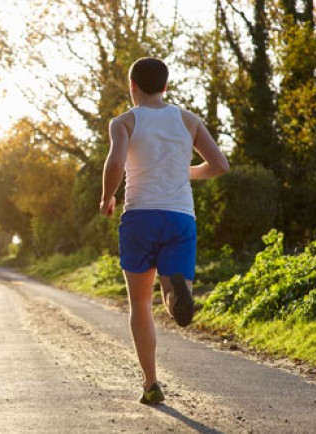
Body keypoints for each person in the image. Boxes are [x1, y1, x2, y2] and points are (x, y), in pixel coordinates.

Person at [99, 57, 229, 405]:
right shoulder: (188, 120)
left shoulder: (124, 122)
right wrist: (182, 173)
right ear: (166, 87)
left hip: (140, 216)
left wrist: (107, 196)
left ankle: (151, 383)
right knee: (172, 288)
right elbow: (219, 165)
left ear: (132, 87)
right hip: (179, 217)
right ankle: (177, 299)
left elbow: (115, 162)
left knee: (140, 302)